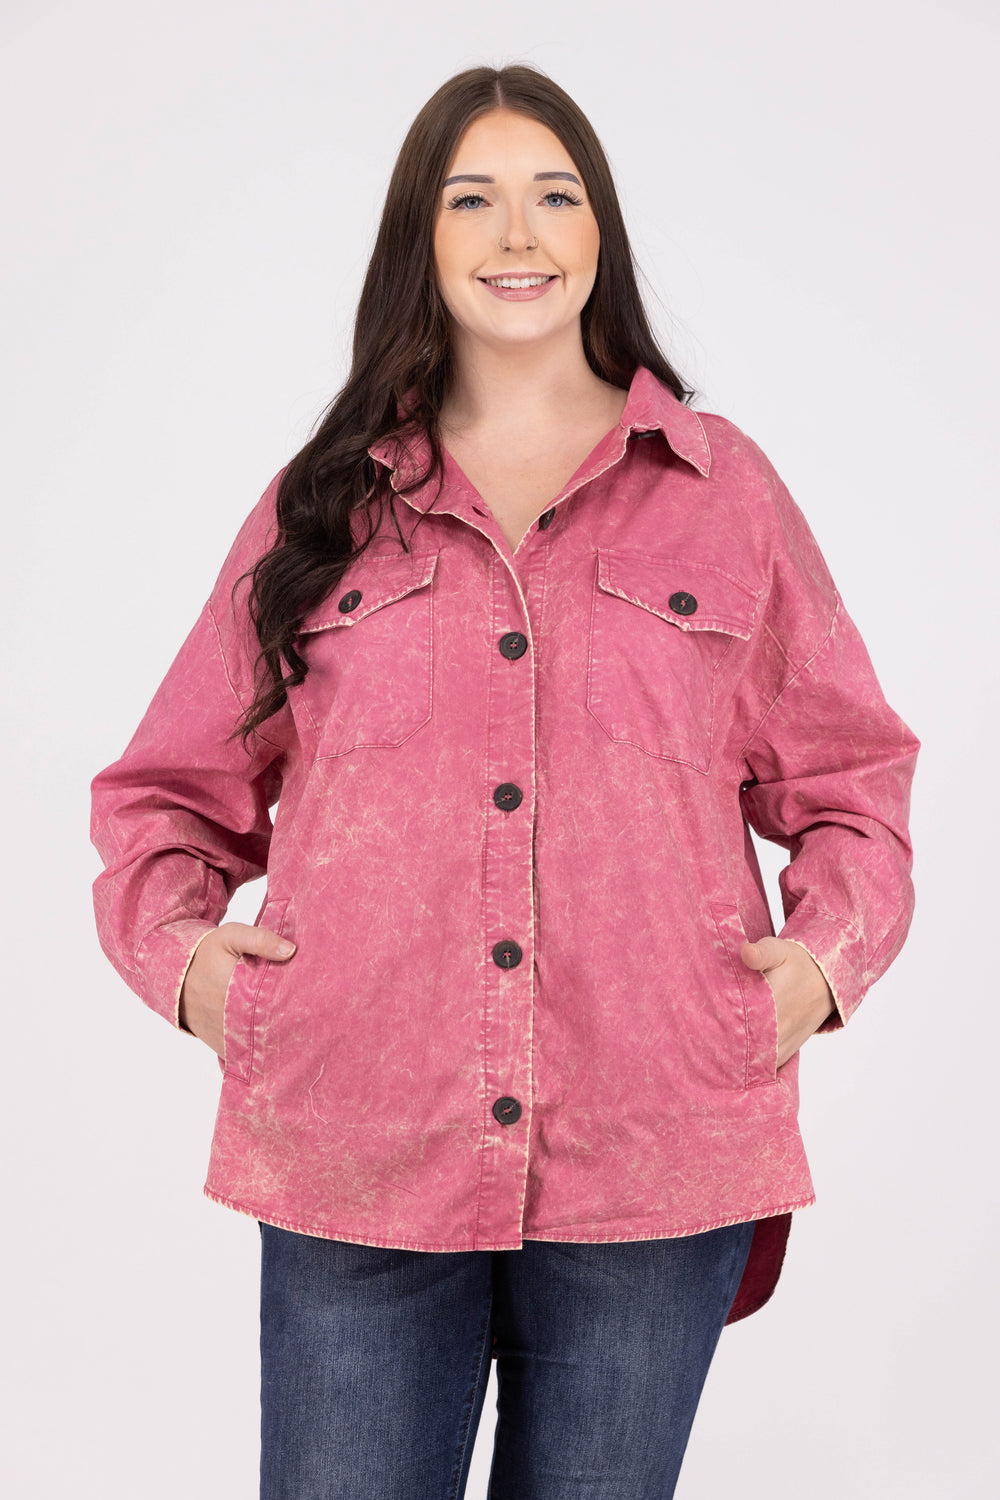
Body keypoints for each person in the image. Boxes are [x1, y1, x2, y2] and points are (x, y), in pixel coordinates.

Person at [90, 62, 918, 1500]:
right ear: (421, 234)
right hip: (359, 1138)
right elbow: (166, 791)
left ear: (600, 232)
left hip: (656, 1144)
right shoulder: (327, 503)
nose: (518, 234)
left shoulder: (724, 493)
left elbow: (853, 778)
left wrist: (820, 966)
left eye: (555, 196)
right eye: (473, 199)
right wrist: (187, 967)